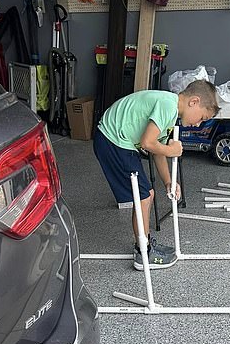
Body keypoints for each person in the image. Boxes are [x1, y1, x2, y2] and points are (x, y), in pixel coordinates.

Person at [93, 80, 220, 270]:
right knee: (143, 196)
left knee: (147, 194)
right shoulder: (167, 105)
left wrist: (169, 181)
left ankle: (145, 244)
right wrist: (173, 151)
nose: (198, 124)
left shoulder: (169, 111)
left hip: (119, 141)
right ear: (194, 101)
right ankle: (143, 253)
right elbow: (147, 143)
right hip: (113, 140)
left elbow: (157, 150)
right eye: (202, 117)